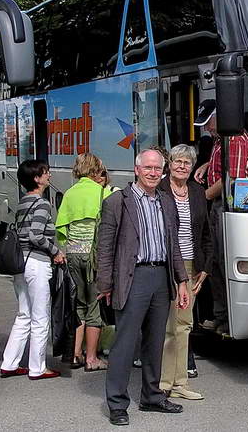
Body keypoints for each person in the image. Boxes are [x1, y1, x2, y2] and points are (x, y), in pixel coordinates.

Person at [97, 149, 190, 427]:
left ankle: (152, 395)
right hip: (132, 277)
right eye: (147, 167)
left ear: (163, 171)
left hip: (161, 277)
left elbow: (173, 246)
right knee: (125, 344)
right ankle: (117, 403)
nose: (152, 173)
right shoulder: (117, 202)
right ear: (136, 170)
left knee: (154, 342)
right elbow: (105, 248)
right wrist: (105, 285)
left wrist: (181, 281)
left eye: (156, 168)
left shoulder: (166, 200)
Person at [193, 101, 248, 334]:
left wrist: (200, 198)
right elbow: (226, 165)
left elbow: (232, 178)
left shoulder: (234, 139)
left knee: (221, 259)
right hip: (221, 205)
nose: (207, 129)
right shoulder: (224, 140)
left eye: (208, 123)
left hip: (227, 205)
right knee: (216, 261)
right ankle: (222, 316)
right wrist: (208, 165)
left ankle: (229, 318)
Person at [0, 160, 66, 380]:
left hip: (20, 264)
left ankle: (9, 363)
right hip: (36, 263)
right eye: (45, 173)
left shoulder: (22, 203)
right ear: (37, 179)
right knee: (40, 317)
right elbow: (35, 235)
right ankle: (38, 368)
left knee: (23, 315)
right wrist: (55, 250)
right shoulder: (42, 203)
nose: (49, 176)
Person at [158, 144, 211, 401]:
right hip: (164, 265)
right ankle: (163, 382)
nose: (182, 166)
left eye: (187, 163)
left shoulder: (198, 193)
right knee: (165, 325)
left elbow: (206, 235)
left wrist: (205, 269)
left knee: (183, 325)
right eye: (178, 161)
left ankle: (179, 383)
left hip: (191, 265)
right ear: (169, 164)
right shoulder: (158, 190)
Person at [55, 153, 110, 372]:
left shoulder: (69, 193)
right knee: (93, 304)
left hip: (73, 254)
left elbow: (61, 228)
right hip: (94, 256)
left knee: (77, 304)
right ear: (96, 169)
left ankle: (75, 354)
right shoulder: (101, 193)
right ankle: (92, 359)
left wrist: (67, 249)